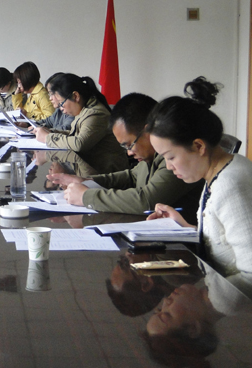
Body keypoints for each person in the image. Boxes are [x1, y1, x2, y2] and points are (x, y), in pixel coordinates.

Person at [146, 76, 252, 298]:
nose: (169, 166)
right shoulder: (217, 171)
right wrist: (184, 226)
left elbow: (250, 276)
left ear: (198, 146)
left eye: (171, 157)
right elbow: (225, 244)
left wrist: (206, 303)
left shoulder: (231, 184)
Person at [47, 92, 203, 220]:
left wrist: (86, 197)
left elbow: (146, 201)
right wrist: (87, 181)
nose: (129, 152)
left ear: (148, 131)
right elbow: (132, 176)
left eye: (129, 144)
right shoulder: (152, 156)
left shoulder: (176, 157)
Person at [31, 73, 129, 174]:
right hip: (89, 170)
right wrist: (50, 132)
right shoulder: (84, 110)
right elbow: (74, 134)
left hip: (107, 175)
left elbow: (79, 143)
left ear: (75, 96)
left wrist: (48, 137)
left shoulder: (96, 114)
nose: (60, 108)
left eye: (61, 103)